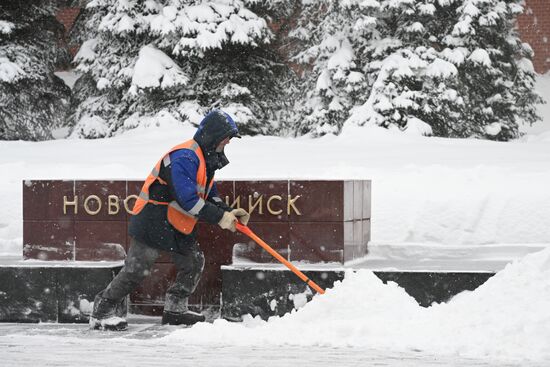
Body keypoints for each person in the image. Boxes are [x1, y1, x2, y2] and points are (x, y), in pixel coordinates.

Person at [90, 110, 250, 331]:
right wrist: (221, 218)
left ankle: (175, 310)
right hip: (152, 220)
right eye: (227, 136)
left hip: (177, 223)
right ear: (214, 135)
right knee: (136, 270)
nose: (229, 141)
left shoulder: (205, 157)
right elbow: (188, 200)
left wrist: (229, 211)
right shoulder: (185, 157)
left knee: (193, 262)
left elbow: (208, 193)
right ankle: (101, 311)